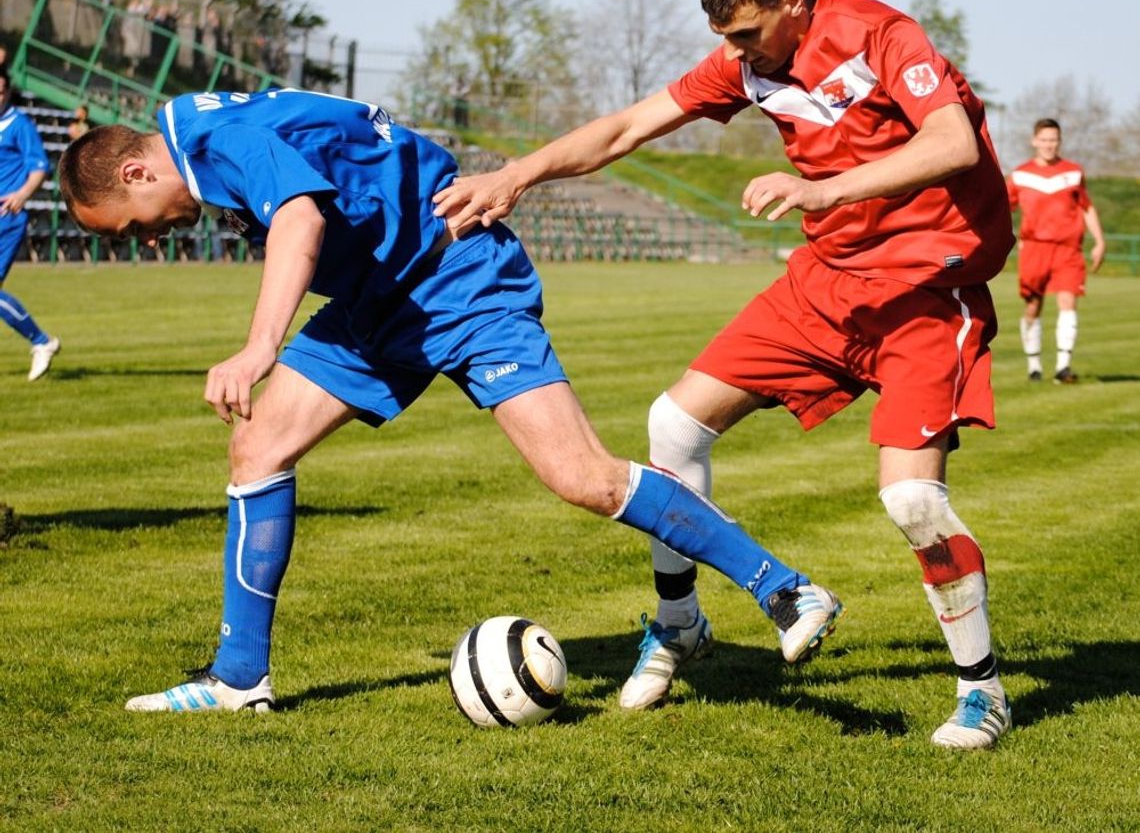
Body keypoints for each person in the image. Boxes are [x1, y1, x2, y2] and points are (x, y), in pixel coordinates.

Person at [58, 87, 844, 715]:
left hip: (457, 272)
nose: (150, 241)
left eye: (133, 229)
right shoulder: (199, 129)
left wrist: (260, 345)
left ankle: (784, 586)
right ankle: (238, 680)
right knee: (257, 449)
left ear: (134, 173)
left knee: (584, 476)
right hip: (381, 295)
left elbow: (298, 217)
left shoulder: (212, 140)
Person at [433, 0, 1016, 749]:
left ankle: (982, 690)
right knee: (674, 422)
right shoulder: (746, 63)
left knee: (913, 500)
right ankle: (679, 623)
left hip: (926, 290)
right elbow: (627, 127)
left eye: (746, 32)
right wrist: (516, 174)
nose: (737, 52)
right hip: (826, 284)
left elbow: (953, 143)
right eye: (723, 39)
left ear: (793, 1)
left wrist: (823, 189)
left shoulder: (881, 35)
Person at [1006, 118, 1105, 383]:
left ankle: (1063, 367)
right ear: (1034, 141)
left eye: (1054, 140)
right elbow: (1003, 210)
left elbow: (1087, 208)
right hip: (1035, 248)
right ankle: (1034, 366)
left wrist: (1100, 241)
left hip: (1068, 249)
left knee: (1068, 301)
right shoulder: (1019, 175)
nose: (1049, 145)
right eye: (1045, 139)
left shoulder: (1073, 172)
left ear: (1059, 141)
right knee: (1033, 307)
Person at [0, 71, 60, 380]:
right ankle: (41, 341)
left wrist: (22, 194)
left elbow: (39, 168)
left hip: (6, 218)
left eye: (0, 92)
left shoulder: (19, 125)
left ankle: (42, 341)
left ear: (7, 93)